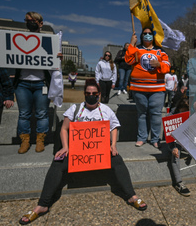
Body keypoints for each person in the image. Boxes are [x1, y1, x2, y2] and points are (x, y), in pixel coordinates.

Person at [18, 79, 147, 225]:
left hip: (100, 151)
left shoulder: (106, 110)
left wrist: (113, 145)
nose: (91, 95)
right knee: (58, 162)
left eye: (94, 93)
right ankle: (43, 204)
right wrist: (65, 147)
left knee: (117, 160)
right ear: (84, 94)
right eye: (88, 93)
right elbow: (64, 129)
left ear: (99, 94)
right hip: (76, 151)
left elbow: (114, 128)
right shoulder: (75, 109)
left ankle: (131, 196)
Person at [14, 11, 63, 154]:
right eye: (27, 20)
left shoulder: (48, 41)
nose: (30, 23)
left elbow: (55, 63)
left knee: (42, 113)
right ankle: (25, 141)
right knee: (24, 114)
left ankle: (40, 140)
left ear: (40, 23)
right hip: (22, 83)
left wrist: (58, 57)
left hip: (41, 83)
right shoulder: (18, 40)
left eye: (33, 20)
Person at [125, 27, 170, 148]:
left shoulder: (161, 51)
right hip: (139, 88)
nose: (147, 35)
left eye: (150, 33)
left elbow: (167, 66)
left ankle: (155, 139)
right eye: (145, 33)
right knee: (141, 114)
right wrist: (132, 44)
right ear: (141, 36)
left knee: (156, 114)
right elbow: (128, 61)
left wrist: (159, 64)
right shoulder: (136, 49)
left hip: (157, 89)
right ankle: (141, 138)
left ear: (153, 36)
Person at [167, 96, 191, 196]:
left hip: (188, 139)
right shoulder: (170, 117)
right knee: (176, 153)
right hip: (176, 141)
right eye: (182, 112)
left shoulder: (193, 115)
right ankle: (179, 183)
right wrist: (173, 147)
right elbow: (169, 137)